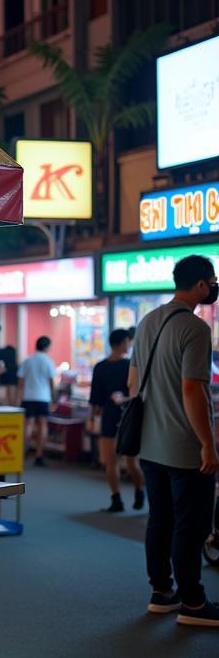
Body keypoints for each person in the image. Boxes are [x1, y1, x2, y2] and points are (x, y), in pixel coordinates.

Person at [130, 254, 219, 627]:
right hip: (184, 447)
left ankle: (162, 592)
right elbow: (191, 388)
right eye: (212, 280)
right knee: (192, 524)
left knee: (160, 519)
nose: (214, 287)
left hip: (149, 445)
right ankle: (194, 603)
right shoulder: (196, 329)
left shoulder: (148, 321)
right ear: (200, 285)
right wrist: (208, 443)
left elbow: (132, 384)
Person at [90, 328, 145, 513]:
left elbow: (95, 402)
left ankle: (116, 499)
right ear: (123, 342)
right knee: (131, 462)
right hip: (129, 417)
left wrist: (93, 419)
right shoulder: (130, 366)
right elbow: (138, 394)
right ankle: (138, 490)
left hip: (109, 418)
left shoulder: (100, 367)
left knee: (111, 462)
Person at [18, 336, 57, 468]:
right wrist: (54, 397)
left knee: (28, 425)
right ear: (47, 347)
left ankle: (22, 451)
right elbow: (52, 382)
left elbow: (21, 381)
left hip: (28, 397)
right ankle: (39, 455)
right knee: (42, 426)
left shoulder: (28, 360)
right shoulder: (48, 361)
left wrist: (19, 398)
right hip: (43, 397)